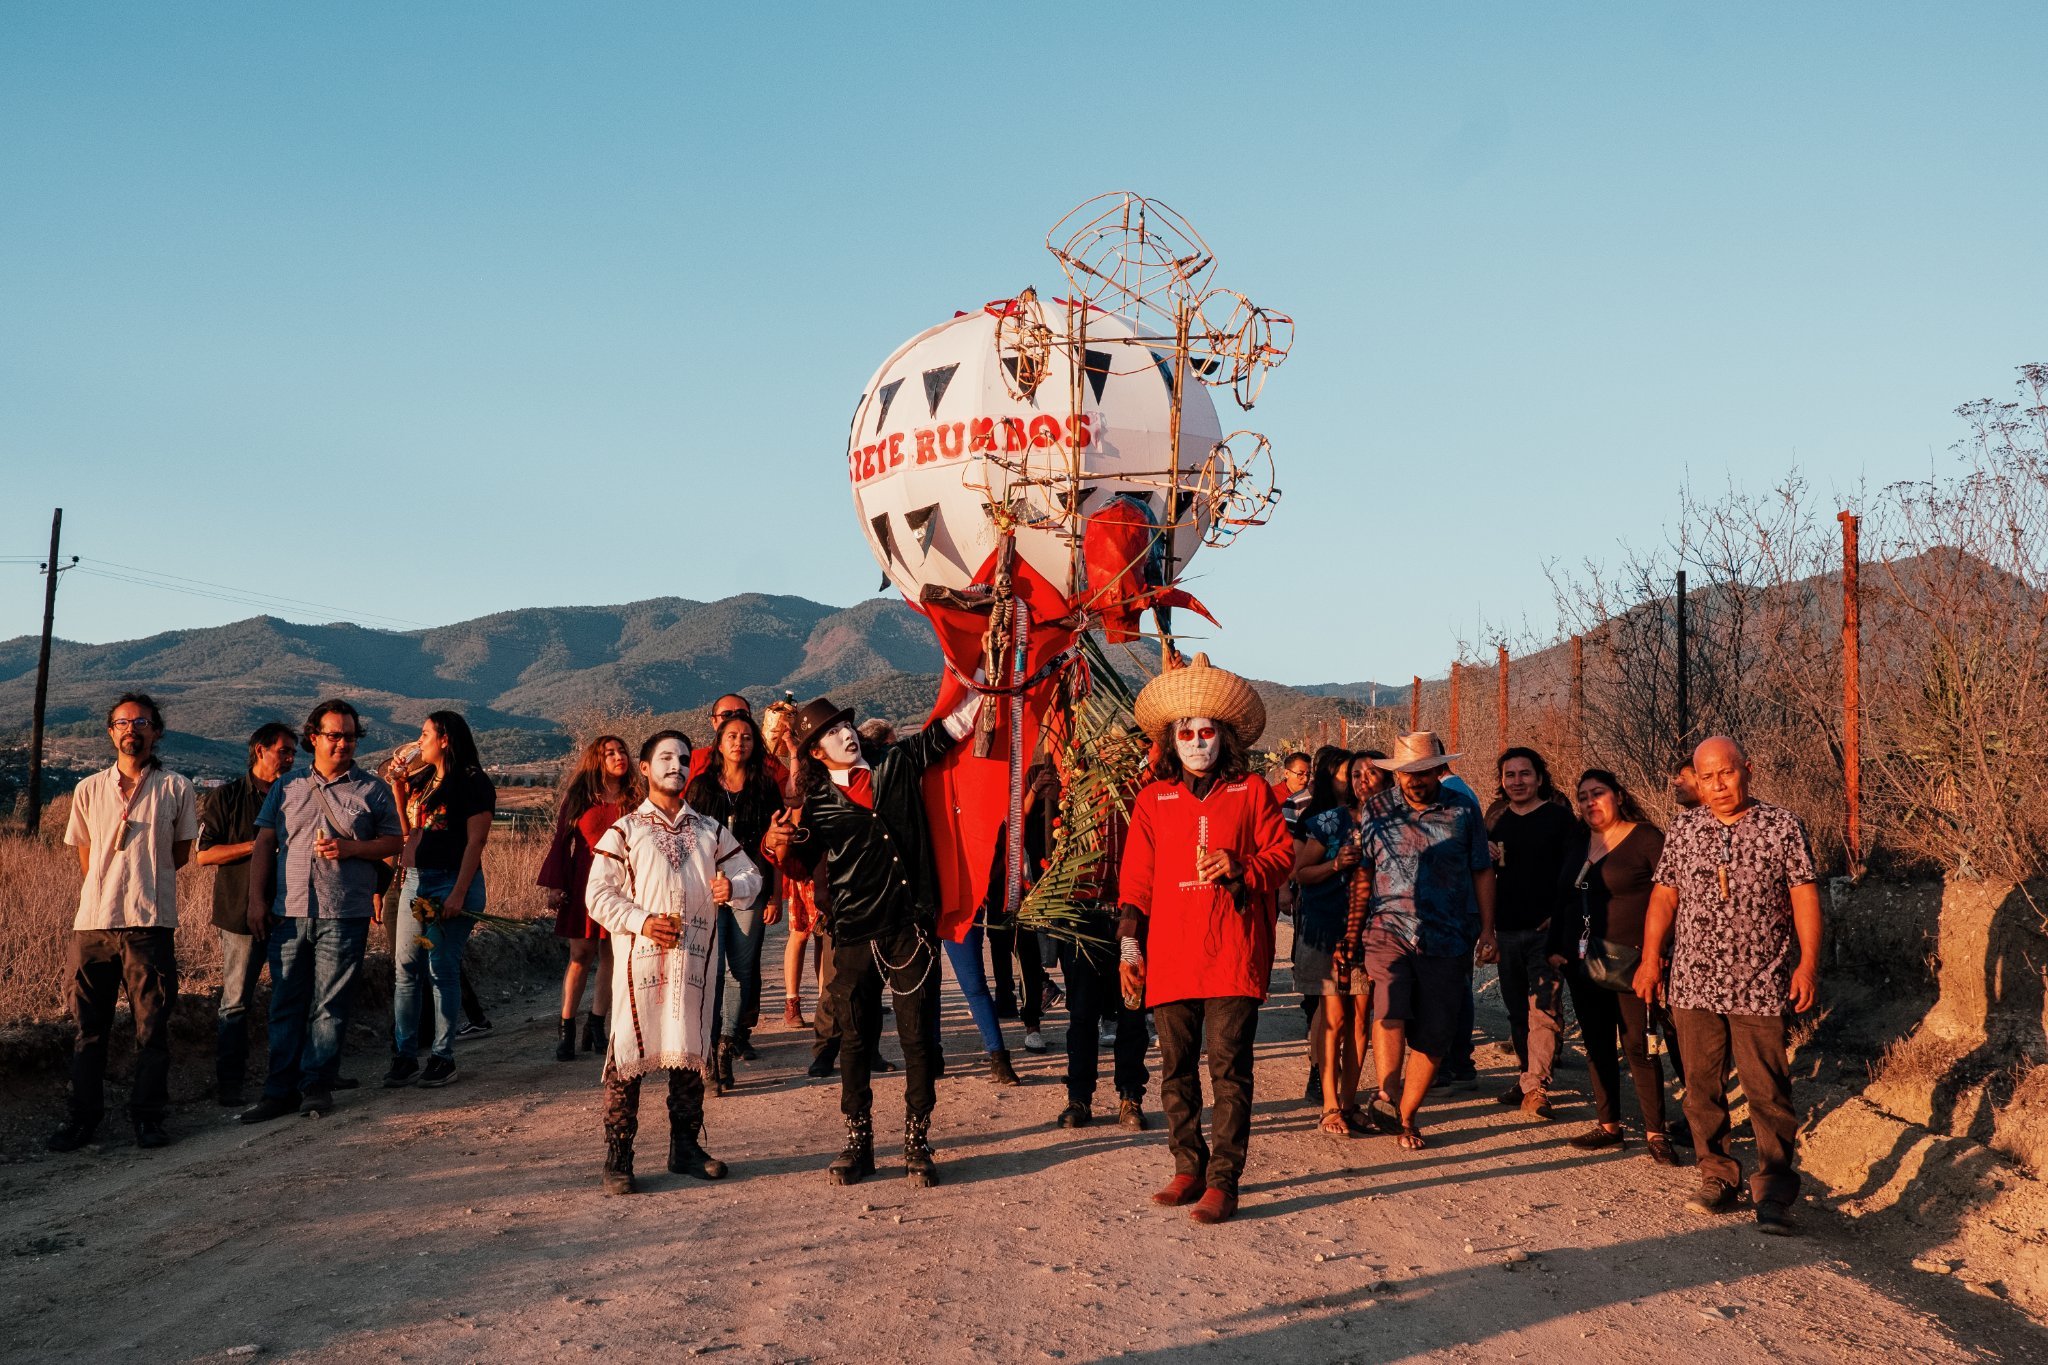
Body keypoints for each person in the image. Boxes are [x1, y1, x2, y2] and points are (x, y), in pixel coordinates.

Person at [763, 689, 979, 1187]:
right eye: (833, 733)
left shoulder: (897, 762)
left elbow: (952, 730)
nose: (846, 734)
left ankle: (916, 1140)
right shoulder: (816, 800)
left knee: (918, 1037)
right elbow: (803, 862)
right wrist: (781, 846)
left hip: (910, 925)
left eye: (846, 726)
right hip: (854, 928)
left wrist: (988, 680)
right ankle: (858, 1141)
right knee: (856, 1039)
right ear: (817, 752)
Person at [1118, 655, 1295, 1225]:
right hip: (1170, 952)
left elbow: (1283, 855)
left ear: (1225, 736)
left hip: (1231, 949)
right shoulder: (1153, 798)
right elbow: (1136, 881)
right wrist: (1128, 946)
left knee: (1229, 1067)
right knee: (1174, 1066)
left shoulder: (1253, 792)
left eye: (1207, 731)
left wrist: (1240, 863)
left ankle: (1225, 1180)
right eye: (1186, 733)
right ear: (1171, 739)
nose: (1197, 741)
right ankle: (1187, 1165)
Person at [1636, 736, 1822, 1235]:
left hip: (1761, 981)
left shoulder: (1782, 826)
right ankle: (1717, 1174)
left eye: (1727, 773)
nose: (1718, 785)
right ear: (1694, 780)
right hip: (1693, 981)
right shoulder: (1684, 827)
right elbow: (1664, 897)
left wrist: (1806, 965)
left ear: (1748, 771)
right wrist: (1651, 959)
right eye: (1707, 776)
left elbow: (1803, 896)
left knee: (1768, 1090)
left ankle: (1775, 1191)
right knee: (1700, 1089)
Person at [585, 731, 762, 1193]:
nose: (676, 766)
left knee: (688, 1051)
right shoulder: (624, 831)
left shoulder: (710, 830)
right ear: (643, 768)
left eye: (684, 759)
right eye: (665, 758)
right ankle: (618, 1156)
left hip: (694, 967)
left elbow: (751, 874)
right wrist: (641, 921)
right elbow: (597, 894)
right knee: (628, 1058)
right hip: (638, 969)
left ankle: (684, 1148)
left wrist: (734, 888)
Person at [48, 694, 199, 1152]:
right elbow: (85, 856)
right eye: (122, 722)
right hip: (93, 924)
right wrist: (107, 888)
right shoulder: (89, 789)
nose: (131, 729)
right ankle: (83, 1119)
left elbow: (178, 855)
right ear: (110, 732)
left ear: (157, 731)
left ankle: (148, 1119)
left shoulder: (176, 787)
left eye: (142, 722)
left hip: (149, 924)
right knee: (88, 1029)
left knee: (150, 1029)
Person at [242, 699, 402, 1123]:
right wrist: (257, 901)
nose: (343, 743)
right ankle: (279, 1091)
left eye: (350, 736)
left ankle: (316, 1085)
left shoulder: (373, 790)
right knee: (285, 1003)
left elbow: (394, 843)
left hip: (343, 911)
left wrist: (350, 849)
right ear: (314, 738)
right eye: (335, 735)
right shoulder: (286, 787)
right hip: (288, 912)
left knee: (329, 1004)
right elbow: (263, 844)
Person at [1355, 732, 1497, 1151]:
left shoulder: (1463, 810)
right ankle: (1386, 1091)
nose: (1414, 781)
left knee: (1435, 1036)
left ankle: (1406, 1116)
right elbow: (1364, 871)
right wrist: (1353, 930)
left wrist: (1488, 929)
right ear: (1396, 775)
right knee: (1390, 1004)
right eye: (1406, 774)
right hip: (1387, 928)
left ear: (1438, 769)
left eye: (1422, 772)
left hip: (1447, 934)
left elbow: (1482, 871)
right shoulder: (1377, 809)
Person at [1550, 769, 1678, 1163]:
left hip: (1634, 964)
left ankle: (1656, 1132)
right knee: (1597, 1045)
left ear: (1619, 795)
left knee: (1640, 1047)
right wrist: (1556, 946)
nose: (1590, 802)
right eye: (1583, 795)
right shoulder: (1577, 841)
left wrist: (1658, 958)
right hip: (1584, 961)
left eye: (1598, 793)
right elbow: (1563, 898)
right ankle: (1609, 1126)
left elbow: (1673, 899)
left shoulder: (1647, 839)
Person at [384, 711, 497, 1089]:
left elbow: (475, 842)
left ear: (445, 739)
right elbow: (407, 828)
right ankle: (405, 1055)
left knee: (441, 969)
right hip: (415, 881)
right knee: (406, 968)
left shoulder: (472, 782)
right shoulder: (424, 779)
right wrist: (398, 781)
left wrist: (459, 892)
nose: (420, 741)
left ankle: (442, 1055)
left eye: (425, 734)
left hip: (450, 881)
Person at [1046, 753, 1152, 1130]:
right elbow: (1050, 850)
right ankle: (1079, 1098)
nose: (1109, 752)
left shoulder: (1144, 792)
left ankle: (1130, 1097)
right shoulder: (1072, 794)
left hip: (1132, 916)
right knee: (1082, 1015)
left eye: (1116, 747)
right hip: (1084, 917)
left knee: (1132, 1011)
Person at [196, 722, 298, 1107]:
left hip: (291, 911)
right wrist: (258, 845)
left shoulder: (297, 794)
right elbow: (205, 855)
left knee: (294, 997)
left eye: (292, 753)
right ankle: (230, 1085)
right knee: (236, 1002)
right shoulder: (226, 797)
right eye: (283, 751)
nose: (289, 759)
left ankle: (294, 1075)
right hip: (240, 913)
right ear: (260, 750)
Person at [685, 711, 783, 1092]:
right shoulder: (701, 787)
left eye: (746, 737)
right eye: (732, 736)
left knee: (742, 972)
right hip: (707, 892)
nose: (739, 742)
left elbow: (774, 848)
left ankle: (726, 1045)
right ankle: (709, 1053)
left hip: (750, 889)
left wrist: (774, 893)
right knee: (711, 970)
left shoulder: (765, 786)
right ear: (719, 742)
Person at [1486, 747, 1579, 1120]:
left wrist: (1558, 918)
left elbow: (1574, 874)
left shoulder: (1559, 819)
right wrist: (1487, 929)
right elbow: (1484, 878)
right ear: (1502, 781)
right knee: (1515, 1011)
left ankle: (1538, 1086)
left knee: (1543, 1009)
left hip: (1545, 931)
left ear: (1540, 778)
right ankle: (1526, 1079)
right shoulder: (1497, 821)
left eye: (1525, 774)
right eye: (1510, 775)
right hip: (1507, 929)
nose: (1518, 781)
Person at [1289, 746, 1375, 1137]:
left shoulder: (1396, 823)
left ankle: (1351, 1101)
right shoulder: (1326, 822)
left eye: (1373, 774)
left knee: (1360, 1022)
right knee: (1334, 1019)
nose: (1364, 781)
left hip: (1376, 934)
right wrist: (1334, 865)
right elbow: (1301, 873)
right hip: (1326, 930)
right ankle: (1328, 1105)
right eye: (1357, 774)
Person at [538, 735, 639, 1061]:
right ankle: (567, 1026)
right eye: (610, 753)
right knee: (581, 954)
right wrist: (555, 885)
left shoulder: (635, 797)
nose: (618, 756)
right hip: (584, 881)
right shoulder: (581, 795)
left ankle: (597, 1024)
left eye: (621, 750)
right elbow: (560, 841)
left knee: (613, 952)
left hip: (623, 884)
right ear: (597, 760)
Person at [762, 700, 821, 1030]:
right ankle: (792, 1001)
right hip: (798, 859)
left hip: (820, 856)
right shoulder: (781, 769)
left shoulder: (820, 763)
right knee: (800, 934)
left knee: (824, 937)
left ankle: (826, 1000)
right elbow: (792, 799)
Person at [1273, 751, 1312, 833]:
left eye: (1308, 774)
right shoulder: (1272, 796)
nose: (1305, 779)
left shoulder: (1311, 797)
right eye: (1300, 774)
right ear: (1286, 773)